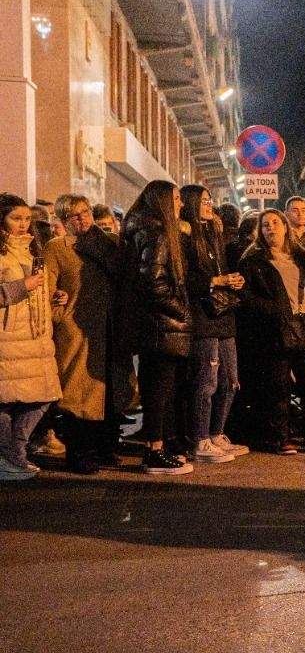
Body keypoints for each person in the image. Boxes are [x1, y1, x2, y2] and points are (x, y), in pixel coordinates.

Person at [44, 194, 127, 473]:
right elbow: (47, 290)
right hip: (76, 330)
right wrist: (59, 313)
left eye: (86, 212)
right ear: (63, 220)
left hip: (109, 327)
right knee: (77, 394)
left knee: (111, 390)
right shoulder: (56, 248)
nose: (83, 219)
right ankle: (79, 452)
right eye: (74, 215)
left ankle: (106, 446)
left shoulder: (109, 243)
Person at [237, 208, 305, 454]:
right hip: (274, 329)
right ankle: (280, 436)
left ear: (286, 227)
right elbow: (245, 296)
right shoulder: (253, 261)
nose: (271, 228)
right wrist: (272, 309)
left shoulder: (302, 257)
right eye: (265, 225)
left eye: (275, 223)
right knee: (278, 385)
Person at [124, 179, 194, 475]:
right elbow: (153, 281)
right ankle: (155, 451)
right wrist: (181, 311)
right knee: (159, 389)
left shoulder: (141, 229)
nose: (180, 204)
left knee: (157, 387)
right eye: (176, 198)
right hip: (161, 324)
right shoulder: (159, 233)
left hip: (152, 322)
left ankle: (158, 447)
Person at [179, 185, 247, 464]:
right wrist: (215, 282)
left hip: (223, 314)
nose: (210, 205)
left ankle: (217, 433)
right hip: (202, 317)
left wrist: (233, 280)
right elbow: (184, 279)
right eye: (205, 201)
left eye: (211, 200)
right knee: (206, 382)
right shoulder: (184, 236)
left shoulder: (214, 233)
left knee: (231, 381)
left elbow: (219, 271)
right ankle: (199, 438)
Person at [0, 193, 64, 480]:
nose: (24, 224)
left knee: (43, 397)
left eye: (27, 218)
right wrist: (21, 286)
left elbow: (39, 293)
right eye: (16, 218)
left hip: (36, 336)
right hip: (7, 338)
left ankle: (14, 452)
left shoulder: (32, 250)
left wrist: (54, 299)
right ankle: (9, 457)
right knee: (5, 401)